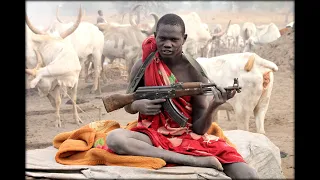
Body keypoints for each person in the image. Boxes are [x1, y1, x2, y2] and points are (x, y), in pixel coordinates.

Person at [106, 13, 259, 179]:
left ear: (184, 39)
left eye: (174, 40)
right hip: (150, 134)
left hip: (187, 135)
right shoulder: (143, 65)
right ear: (155, 36)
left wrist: (214, 105)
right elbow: (128, 104)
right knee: (115, 138)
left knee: (248, 175)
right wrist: (138, 105)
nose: (167, 44)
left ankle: (188, 157)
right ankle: (191, 160)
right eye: (162, 38)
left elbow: (199, 129)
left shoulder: (194, 71)